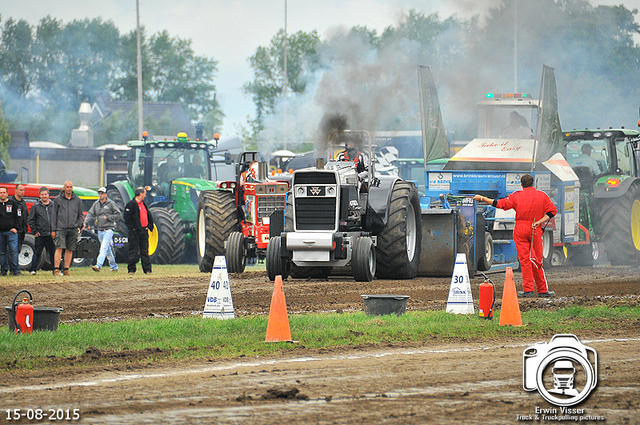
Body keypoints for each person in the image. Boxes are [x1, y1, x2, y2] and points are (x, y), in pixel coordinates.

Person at [473, 174, 557, 298]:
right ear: (533, 183)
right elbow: (552, 211)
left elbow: (499, 204)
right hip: (535, 228)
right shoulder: (542, 196)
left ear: (521, 184)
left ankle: (528, 290)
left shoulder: (516, 196)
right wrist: (539, 222)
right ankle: (542, 290)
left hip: (520, 229)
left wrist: (482, 198)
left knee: (524, 260)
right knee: (537, 260)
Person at [51, 180, 85, 276]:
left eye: (70, 187)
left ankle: (66, 269)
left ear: (72, 188)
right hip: (61, 228)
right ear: (64, 188)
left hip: (73, 228)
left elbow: (80, 215)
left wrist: (78, 224)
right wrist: (54, 229)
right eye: (67, 187)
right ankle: (56, 269)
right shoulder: (58, 199)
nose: (69, 188)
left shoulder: (78, 200)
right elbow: (54, 215)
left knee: (70, 249)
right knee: (59, 248)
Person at [85, 187, 120, 272]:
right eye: (99, 193)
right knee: (107, 249)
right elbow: (90, 214)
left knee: (103, 247)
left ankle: (98, 265)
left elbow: (118, 214)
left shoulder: (111, 204)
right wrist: (85, 223)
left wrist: (108, 218)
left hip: (109, 229)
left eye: (102, 193)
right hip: (100, 230)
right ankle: (114, 266)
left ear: (106, 194)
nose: (100, 195)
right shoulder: (96, 204)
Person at [124, 187, 154, 274]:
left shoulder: (144, 204)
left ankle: (147, 270)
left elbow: (148, 216)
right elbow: (127, 218)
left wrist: (149, 226)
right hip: (135, 232)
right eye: (144, 194)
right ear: (140, 194)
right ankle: (131, 269)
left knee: (145, 251)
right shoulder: (131, 205)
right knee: (133, 251)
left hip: (144, 231)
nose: (145, 195)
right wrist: (133, 228)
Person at [28, 187, 56, 275]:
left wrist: (55, 230)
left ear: (48, 195)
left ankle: (55, 269)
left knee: (53, 253)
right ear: (40, 195)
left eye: (46, 194)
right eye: (42, 194)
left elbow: (57, 218)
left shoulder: (53, 205)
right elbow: (31, 219)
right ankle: (33, 269)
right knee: (37, 252)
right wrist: (35, 231)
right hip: (40, 234)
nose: (44, 196)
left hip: (51, 233)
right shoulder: (36, 206)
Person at [0, 186, 20, 276]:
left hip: (11, 232)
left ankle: (15, 270)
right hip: (0, 233)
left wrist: (16, 227)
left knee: (13, 251)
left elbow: (18, 216)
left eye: (4, 192)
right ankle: (3, 271)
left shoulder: (13, 203)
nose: (2, 194)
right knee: (2, 252)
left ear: (7, 194)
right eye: (0, 193)